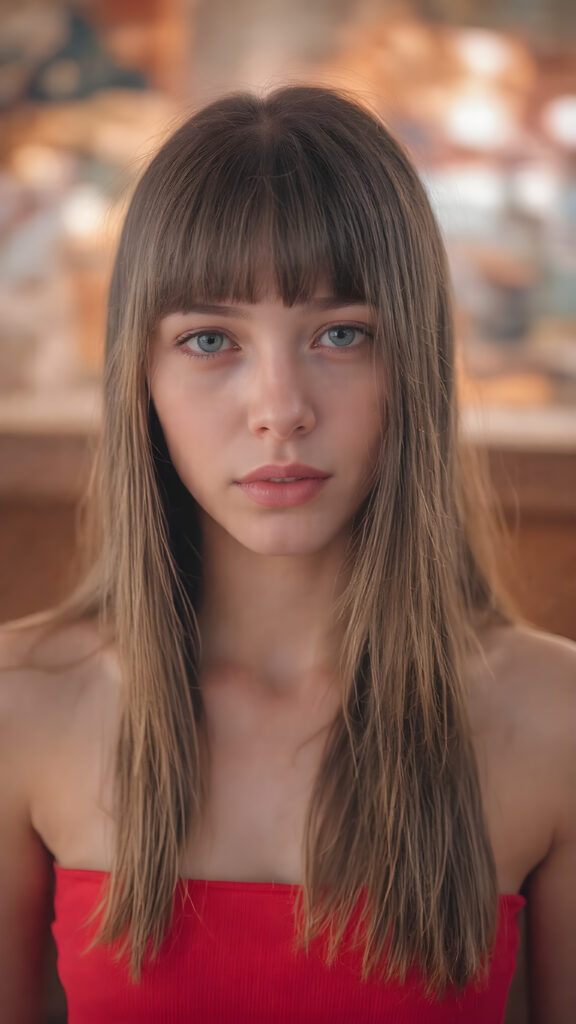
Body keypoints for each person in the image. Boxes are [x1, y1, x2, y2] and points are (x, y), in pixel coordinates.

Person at [0, 85, 575, 1024]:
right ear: (139, 377)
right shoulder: (17, 706)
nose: (280, 407)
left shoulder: (557, 721)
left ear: (415, 366)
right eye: (210, 339)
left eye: (341, 334)